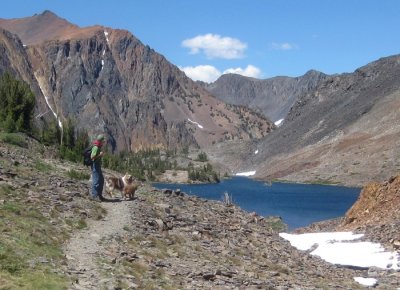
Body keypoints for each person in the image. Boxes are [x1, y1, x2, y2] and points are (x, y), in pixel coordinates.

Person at [90, 134, 106, 201]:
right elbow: (92, 157)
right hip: (95, 165)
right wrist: (100, 155)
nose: (104, 142)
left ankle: (99, 195)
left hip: (98, 165)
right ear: (101, 141)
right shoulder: (96, 147)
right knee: (96, 181)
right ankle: (94, 195)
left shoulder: (98, 147)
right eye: (103, 141)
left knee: (101, 180)